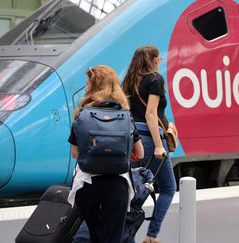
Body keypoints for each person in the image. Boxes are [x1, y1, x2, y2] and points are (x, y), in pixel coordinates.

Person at [68, 65, 144, 243]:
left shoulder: (82, 114)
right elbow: (140, 153)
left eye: (88, 83)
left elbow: (74, 153)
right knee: (112, 238)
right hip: (116, 184)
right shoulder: (126, 116)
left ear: (92, 86)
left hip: (86, 184)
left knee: (95, 236)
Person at [122, 45, 176, 243]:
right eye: (159, 58)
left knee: (135, 190)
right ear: (153, 59)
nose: (160, 61)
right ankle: (152, 236)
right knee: (168, 188)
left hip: (133, 138)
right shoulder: (155, 79)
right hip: (150, 139)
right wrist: (159, 145)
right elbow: (150, 113)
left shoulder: (128, 81)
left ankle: (127, 236)